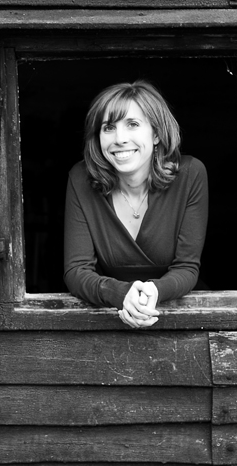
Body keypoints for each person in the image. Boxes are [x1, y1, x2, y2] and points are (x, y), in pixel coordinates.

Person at [63, 80, 208, 328]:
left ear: (156, 134)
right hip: (108, 312)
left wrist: (155, 291)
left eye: (132, 125)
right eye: (108, 128)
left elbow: (187, 267)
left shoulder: (191, 174)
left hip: (176, 309)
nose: (119, 139)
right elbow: (76, 270)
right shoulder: (81, 178)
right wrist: (120, 294)